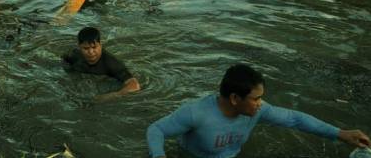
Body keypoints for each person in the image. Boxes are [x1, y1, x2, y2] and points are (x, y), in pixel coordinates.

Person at [147, 64, 370, 158]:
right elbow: (156, 130)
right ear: (235, 98)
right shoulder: (196, 113)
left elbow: (294, 119)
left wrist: (340, 133)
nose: (261, 103)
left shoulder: (257, 111)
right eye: (256, 98)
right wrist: (159, 156)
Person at [62, 27, 141, 101]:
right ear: (79, 47)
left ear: (100, 45)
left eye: (94, 47)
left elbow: (135, 85)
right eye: (86, 48)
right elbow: (63, 63)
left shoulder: (110, 63)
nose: (91, 52)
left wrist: (110, 96)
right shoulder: (75, 55)